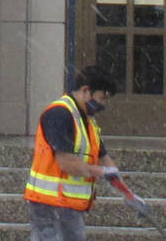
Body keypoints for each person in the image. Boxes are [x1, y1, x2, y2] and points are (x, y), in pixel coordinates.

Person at [23, 66, 123, 240]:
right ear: (86, 91)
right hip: (50, 202)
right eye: (102, 98)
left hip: (67, 203)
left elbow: (102, 155)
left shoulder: (87, 120)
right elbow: (67, 162)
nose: (103, 104)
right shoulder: (59, 114)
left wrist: (120, 183)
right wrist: (101, 172)